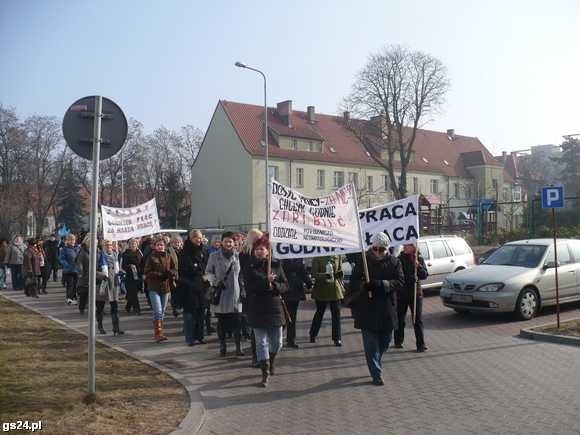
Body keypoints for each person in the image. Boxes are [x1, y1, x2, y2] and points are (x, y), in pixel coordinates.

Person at [348, 232, 404, 386]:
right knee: (371, 344)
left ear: (387, 249)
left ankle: (376, 360)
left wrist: (383, 284)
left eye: (382, 249)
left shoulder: (394, 262)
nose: (378, 252)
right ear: (372, 247)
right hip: (368, 309)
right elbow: (353, 281)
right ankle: (376, 373)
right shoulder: (364, 261)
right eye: (376, 249)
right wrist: (363, 286)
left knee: (386, 341)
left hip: (387, 308)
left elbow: (400, 281)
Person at [245, 235, 288, 387]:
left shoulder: (276, 265)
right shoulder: (250, 267)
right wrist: (265, 281)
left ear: (268, 251)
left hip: (275, 308)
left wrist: (274, 285)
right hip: (257, 308)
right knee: (261, 342)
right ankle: (265, 371)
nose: (258, 251)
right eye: (256, 249)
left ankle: (272, 359)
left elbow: (285, 285)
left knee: (277, 342)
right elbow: (249, 287)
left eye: (261, 249)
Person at [205, 231, 244, 357]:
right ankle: (223, 346)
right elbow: (208, 273)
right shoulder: (214, 256)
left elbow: (241, 275)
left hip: (236, 294)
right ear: (222, 242)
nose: (228, 243)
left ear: (234, 243)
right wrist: (216, 282)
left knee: (237, 322)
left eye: (230, 241)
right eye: (226, 241)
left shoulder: (238, 256)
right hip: (221, 294)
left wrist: (243, 288)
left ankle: (238, 347)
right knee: (222, 323)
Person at [395, 243, 429, 352]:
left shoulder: (419, 259)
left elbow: (424, 275)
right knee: (400, 318)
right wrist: (410, 278)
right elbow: (397, 276)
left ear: (414, 246)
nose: (405, 246)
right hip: (402, 293)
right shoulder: (399, 259)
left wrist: (418, 266)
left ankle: (421, 344)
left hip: (416, 294)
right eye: (404, 244)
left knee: (417, 320)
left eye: (408, 244)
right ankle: (398, 340)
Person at [178, 230, 209, 346]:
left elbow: (207, 267)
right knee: (190, 314)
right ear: (190, 238)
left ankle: (200, 337)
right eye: (196, 237)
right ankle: (190, 339)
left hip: (202, 287)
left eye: (200, 238)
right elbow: (182, 273)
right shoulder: (184, 253)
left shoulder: (204, 251)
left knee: (201, 313)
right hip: (189, 288)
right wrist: (191, 282)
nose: (198, 240)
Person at [144, 236, 177, 343]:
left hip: (166, 287)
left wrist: (171, 273)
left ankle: (160, 332)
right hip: (154, 287)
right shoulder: (151, 257)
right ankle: (158, 334)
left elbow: (174, 268)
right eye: (158, 245)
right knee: (157, 311)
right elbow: (147, 272)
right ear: (155, 246)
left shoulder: (168, 256)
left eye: (161, 245)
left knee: (162, 312)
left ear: (165, 246)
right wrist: (160, 275)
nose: (160, 247)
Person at [239, 229, 264, 365]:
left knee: (259, 327)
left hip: (256, 293)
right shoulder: (246, 253)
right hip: (251, 294)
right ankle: (256, 356)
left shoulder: (260, 251)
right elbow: (248, 273)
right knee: (256, 327)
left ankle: (259, 355)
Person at [309, 255, 345, 346]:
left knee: (336, 313)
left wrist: (340, 275)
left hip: (335, 289)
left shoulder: (338, 256)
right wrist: (326, 275)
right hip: (321, 289)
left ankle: (337, 338)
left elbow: (340, 271)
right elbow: (314, 274)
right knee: (320, 312)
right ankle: (313, 334)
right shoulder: (318, 257)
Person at [282, 258, 312, 348]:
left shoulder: (296, 257)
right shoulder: (286, 257)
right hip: (286, 289)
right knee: (286, 316)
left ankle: (290, 339)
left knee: (291, 316)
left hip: (293, 290)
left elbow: (302, 271)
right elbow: (302, 271)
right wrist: (308, 283)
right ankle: (284, 339)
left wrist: (309, 282)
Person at [99, 240, 124, 336]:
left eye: (110, 244)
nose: (109, 246)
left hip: (114, 279)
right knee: (101, 306)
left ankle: (116, 327)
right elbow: (100, 267)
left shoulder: (114, 254)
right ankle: (100, 326)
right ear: (103, 246)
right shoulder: (101, 255)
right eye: (106, 245)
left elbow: (117, 266)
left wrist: (120, 272)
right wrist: (104, 275)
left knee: (115, 305)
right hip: (105, 280)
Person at [121, 238, 143, 315]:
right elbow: (123, 266)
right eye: (132, 243)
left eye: (135, 243)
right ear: (129, 245)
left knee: (133, 293)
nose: (133, 244)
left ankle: (128, 306)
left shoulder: (139, 253)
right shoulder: (126, 254)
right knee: (133, 293)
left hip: (138, 276)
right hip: (130, 277)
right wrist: (130, 266)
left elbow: (142, 263)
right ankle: (137, 309)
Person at [60, 234, 79, 305]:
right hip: (68, 270)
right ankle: (69, 298)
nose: (72, 241)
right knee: (70, 285)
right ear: (67, 241)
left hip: (76, 270)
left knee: (75, 284)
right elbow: (62, 259)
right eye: (70, 240)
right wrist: (66, 265)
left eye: (73, 240)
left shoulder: (77, 248)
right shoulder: (64, 249)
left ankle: (74, 297)